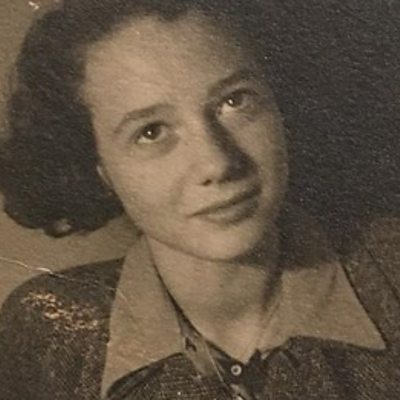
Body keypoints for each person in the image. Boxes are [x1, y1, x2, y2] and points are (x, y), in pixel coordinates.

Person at [0, 0, 399, 399]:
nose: (217, 163)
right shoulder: (47, 331)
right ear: (100, 169)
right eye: (151, 132)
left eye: (235, 101)